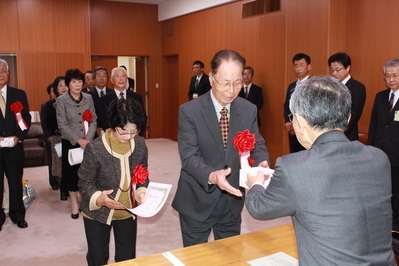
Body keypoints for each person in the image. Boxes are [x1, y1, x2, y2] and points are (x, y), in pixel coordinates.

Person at [245, 76, 395, 265]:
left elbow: (259, 209)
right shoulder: (379, 158)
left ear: (299, 120)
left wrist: (256, 183)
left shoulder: (294, 167)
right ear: (348, 117)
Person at [172, 50, 270, 247]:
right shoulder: (189, 111)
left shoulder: (248, 109)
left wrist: (261, 163)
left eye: (237, 82)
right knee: (196, 260)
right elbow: (189, 156)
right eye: (225, 83)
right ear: (211, 78)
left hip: (232, 200)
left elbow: (256, 143)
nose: (231, 90)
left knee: (230, 257)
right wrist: (212, 176)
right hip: (197, 200)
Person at [78, 98, 148, 265]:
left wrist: (141, 192)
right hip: (97, 213)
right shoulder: (95, 148)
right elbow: (84, 182)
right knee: (98, 258)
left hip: (127, 210)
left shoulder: (139, 144)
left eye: (134, 131)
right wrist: (98, 198)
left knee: (127, 258)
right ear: (113, 125)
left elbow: (142, 174)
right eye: (123, 131)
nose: (129, 136)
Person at [56, 69, 97, 219]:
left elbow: (93, 120)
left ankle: (85, 201)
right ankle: (74, 202)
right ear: (68, 84)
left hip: (88, 142)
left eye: (79, 81)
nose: (77, 84)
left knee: (87, 173)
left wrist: (88, 139)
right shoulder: (61, 101)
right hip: (71, 143)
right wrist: (78, 140)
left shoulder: (88, 98)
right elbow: (62, 125)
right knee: (72, 174)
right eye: (74, 81)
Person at [0, 58, 31, 231]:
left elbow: (26, 119)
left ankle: (17, 215)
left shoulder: (18, 94)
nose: (0, 75)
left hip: (14, 147)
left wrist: (18, 137)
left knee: (15, 183)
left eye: (3, 71)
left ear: (8, 73)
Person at [369, 59, 399, 234]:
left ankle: (395, 224)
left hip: (397, 154)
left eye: (395, 75)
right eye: (387, 76)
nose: (391, 80)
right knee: (382, 189)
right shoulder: (380, 96)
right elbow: (374, 125)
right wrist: (371, 149)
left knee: (397, 190)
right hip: (379, 153)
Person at [41, 76, 68, 200]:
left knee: (71, 165)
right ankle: (62, 189)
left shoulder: (73, 103)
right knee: (59, 166)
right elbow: (45, 123)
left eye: (65, 84)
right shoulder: (48, 105)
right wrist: (50, 136)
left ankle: (70, 188)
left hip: (72, 138)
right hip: (56, 138)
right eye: (60, 85)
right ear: (56, 88)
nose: (63, 88)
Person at [328, 52, 366, 141]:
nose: (334, 73)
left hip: (347, 136)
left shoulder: (357, 87)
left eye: (338, 70)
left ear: (348, 68)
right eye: (332, 70)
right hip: (328, 136)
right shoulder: (329, 87)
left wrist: (337, 131)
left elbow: (354, 114)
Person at [98, 67, 146, 136]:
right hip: (114, 135)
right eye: (117, 76)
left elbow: (143, 117)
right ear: (112, 80)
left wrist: (138, 132)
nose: (121, 79)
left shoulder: (137, 97)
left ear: (127, 79)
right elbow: (103, 119)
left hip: (134, 134)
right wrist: (114, 133)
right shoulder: (104, 99)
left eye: (123, 76)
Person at [283, 53, 311, 153]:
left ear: (309, 67)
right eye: (296, 65)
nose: (298, 68)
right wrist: (288, 122)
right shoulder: (291, 86)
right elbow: (287, 105)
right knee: (294, 155)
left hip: (307, 130)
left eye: (301, 65)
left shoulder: (314, 85)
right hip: (292, 129)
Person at [87, 66, 112, 137]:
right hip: (93, 132)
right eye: (99, 76)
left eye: (104, 76)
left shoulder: (113, 93)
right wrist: (96, 127)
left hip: (111, 130)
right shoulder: (88, 95)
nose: (101, 78)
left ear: (107, 78)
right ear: (94, 79)